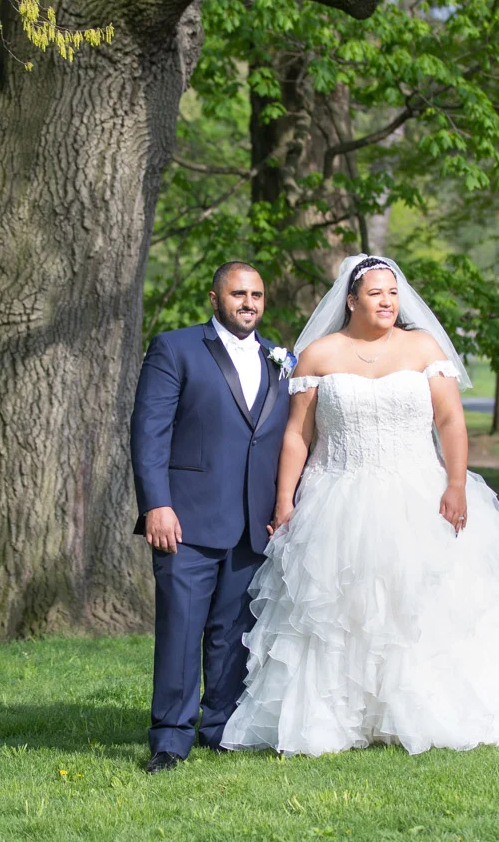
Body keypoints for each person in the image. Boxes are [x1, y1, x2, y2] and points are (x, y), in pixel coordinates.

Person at [221, 255, 499, 756]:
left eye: (392, 293)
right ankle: (342, 717)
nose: (386, 301)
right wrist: (284, 500)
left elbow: (450, 421)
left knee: (417, 604)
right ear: (351, 300)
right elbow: (298, 434)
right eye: (374, 293)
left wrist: (455, 483)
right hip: (337, 496)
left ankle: (422, 709)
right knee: (341, 611)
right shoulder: (318, 355)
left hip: (418, 493)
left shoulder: (423, 347)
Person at [130, 261, 293, 773]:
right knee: (180, 630)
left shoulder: (279, 358)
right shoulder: (175, 348)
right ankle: (170, 739)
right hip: (186, 520)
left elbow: (285, 440)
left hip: (253, 522)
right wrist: (156, 504)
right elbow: (149, 431)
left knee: (233, 633)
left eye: (257, 295)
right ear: (214, 298)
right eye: (239, 294)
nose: (249, 303)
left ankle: (221, 728)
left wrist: (284, 505)